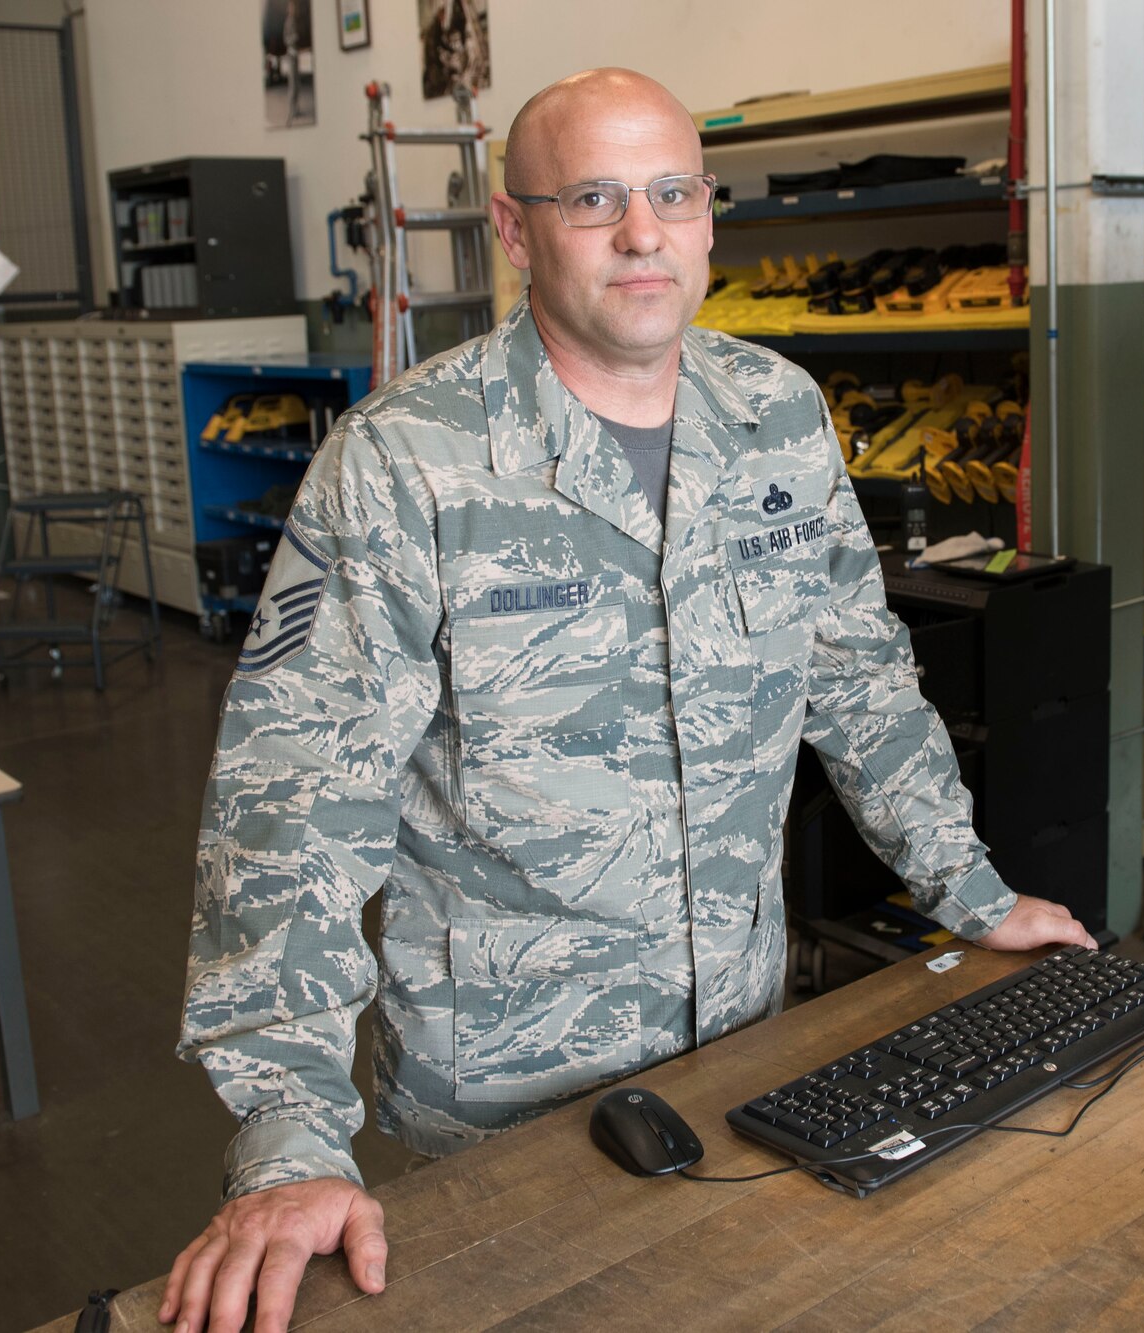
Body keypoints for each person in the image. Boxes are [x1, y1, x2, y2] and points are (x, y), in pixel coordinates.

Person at [160, 67, 1096, 1333]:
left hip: (744, 1052)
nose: (642, 232)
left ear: (709, 213)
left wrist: (968, 893)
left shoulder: (775, 416)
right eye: (592, 197)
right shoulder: (403, 466)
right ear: (514, 230)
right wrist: (290, 1141)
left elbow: (858, 681)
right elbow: (290, 810)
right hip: (505, 1093)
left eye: (671, 192)